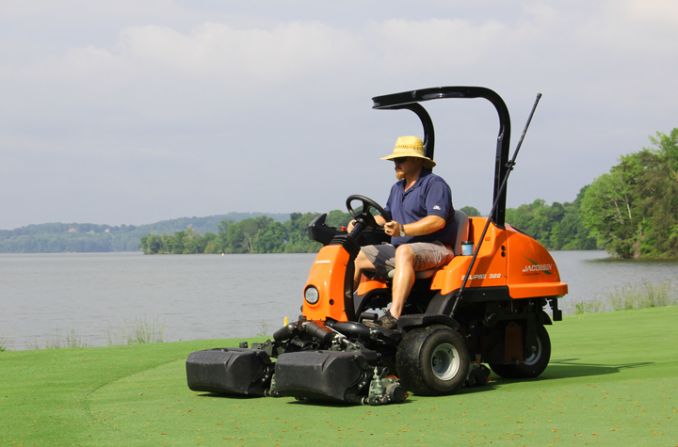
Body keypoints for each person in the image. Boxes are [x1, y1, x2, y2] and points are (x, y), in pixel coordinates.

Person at [349, 135, 456, 330]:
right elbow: (386, 216)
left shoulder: (434, 184)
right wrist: (363, 222)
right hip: (402, 249)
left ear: (416, 160)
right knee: (361, 256)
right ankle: (344, 308)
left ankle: (394, 315)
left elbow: (437, 221)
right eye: (394, 161)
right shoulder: (397, 188)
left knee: (404, 251)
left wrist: (403, 229)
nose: (395, 164)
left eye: (400, 160)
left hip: (436, 248)